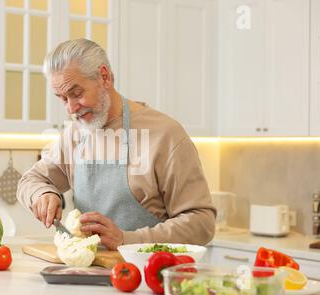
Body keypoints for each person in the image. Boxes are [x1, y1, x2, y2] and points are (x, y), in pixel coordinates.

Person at [17, 39, 216, 250]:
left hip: (147, 276)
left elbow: (201, 223)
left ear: (104, 77)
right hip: (87, 274)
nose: (71, 108)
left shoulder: (165, 134)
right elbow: (31, 180)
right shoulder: (76, 133)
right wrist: (42, 193)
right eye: (62, 98)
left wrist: (126, 239)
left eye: (76, 94)